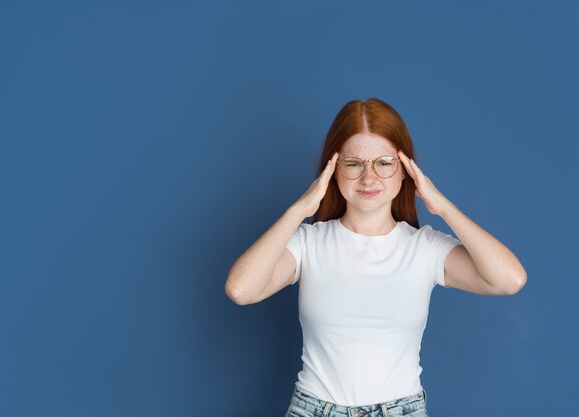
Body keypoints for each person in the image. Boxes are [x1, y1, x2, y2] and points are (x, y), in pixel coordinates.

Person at [225, 98, 527, 417]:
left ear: (405, 171)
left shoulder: (425, 248)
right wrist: (299, 210)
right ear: (333, 170)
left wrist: (442, 206)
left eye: (383, 163)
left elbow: (510, 280)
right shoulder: (308, 243)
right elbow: (242, 290)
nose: (369, 179)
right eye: (354, 164)